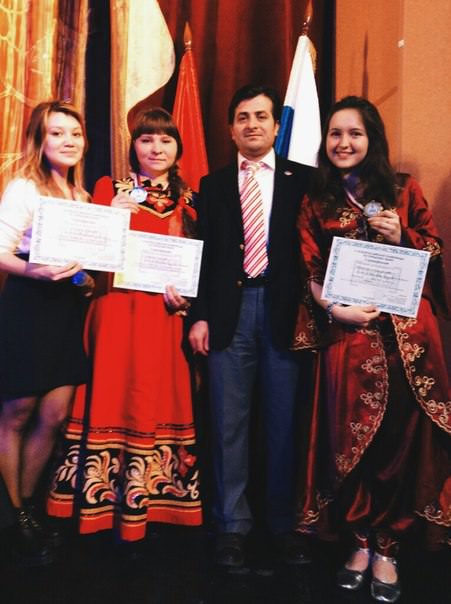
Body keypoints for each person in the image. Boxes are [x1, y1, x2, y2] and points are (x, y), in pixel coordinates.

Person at [295, 95, 451, 603]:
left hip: (407, 342)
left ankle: (388, 547)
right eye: (335, 134)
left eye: (354, 133)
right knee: (351, 444)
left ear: (372, 139)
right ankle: (359, 541)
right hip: (349, 338)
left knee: (399, 447)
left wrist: (403, 234)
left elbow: (434, 252)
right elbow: (309, 270)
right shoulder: (316, 201)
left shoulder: (404, 190)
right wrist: (335, 310)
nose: (343, 143)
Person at [48, 107, 202, 543]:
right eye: (146, 139)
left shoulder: (193, 200)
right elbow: (87, 256)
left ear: (178, 147)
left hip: (164, 318)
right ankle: (99, 509)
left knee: (156, 397)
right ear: (133, 146)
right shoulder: (108, 188)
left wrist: (189, 298)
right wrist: (108, 215)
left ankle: (155, 509)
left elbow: (201, 265)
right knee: (112, 394)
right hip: (115, 311)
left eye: (165, 140)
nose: (156, 148)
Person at [189, 84, 313, 567]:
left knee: (285, 422)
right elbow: (203, 255)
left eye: (261, 116)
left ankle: (284, 524)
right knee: (228, 423)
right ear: (230, 128)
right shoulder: (212, 184)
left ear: (277, 126)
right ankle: (231, 525)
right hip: (229, 312)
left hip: (285, 312)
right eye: (242, 117)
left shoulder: (304, 180)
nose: (252, 124)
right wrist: (199, 314)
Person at [0, 100, 93, 566]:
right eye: (57, 133)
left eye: (75, 132)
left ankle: (27, 509)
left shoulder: (83, 198)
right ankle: (14, 516)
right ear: (40, 140)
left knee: (54, 415)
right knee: (17, 413)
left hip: (66, 311)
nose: (68, 141)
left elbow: (81, 265)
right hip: (28, 305)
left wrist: (85, 280)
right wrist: (34, 272)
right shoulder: (25, 187)